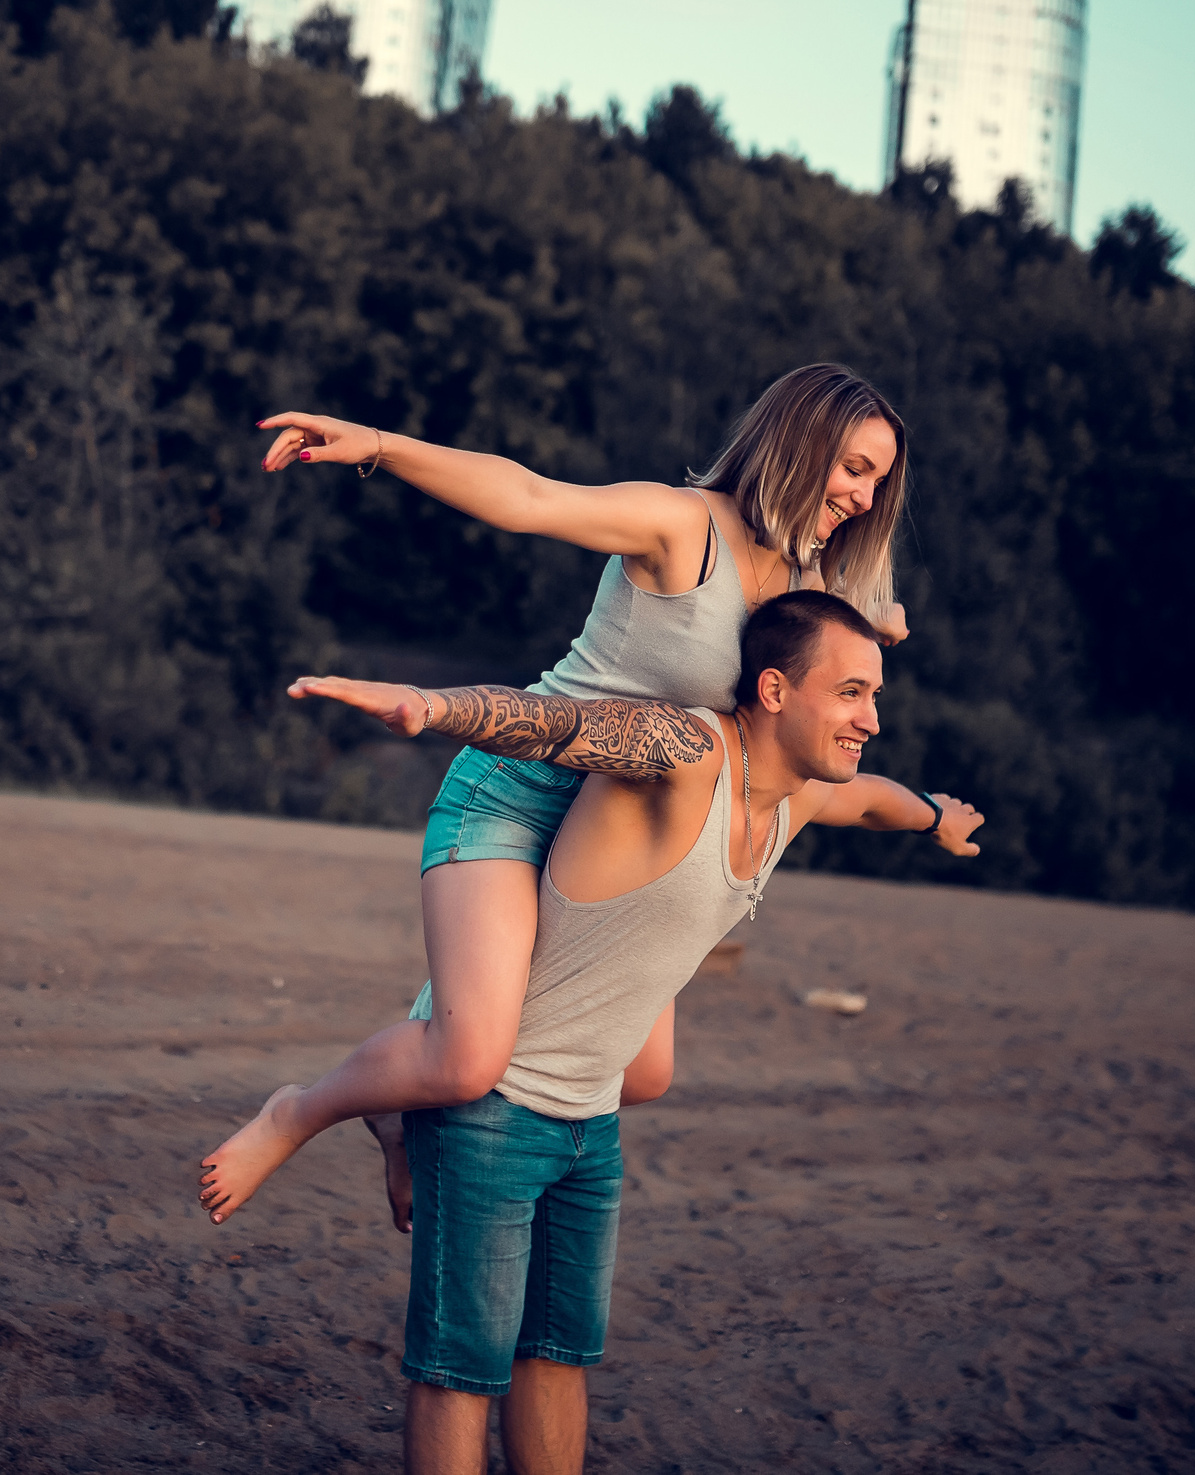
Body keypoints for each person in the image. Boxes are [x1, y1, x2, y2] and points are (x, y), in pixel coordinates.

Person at [199, 364, 914, 1224]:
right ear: (799, 445)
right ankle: (302, 1109)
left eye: (880, 479)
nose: (866, 497)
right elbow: (529, 496)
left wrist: (884, 636)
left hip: (626, 834)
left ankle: (410, 1080)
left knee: (644, 1073)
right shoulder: (684, 527)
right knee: (468, 1060)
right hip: (522, 788)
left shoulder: (814, 591)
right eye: (855, 468)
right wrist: (379, 447)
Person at [289, 589, 983, 1475]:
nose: (871, 718)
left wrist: (935, 815)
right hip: (493, 1109)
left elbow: (875, 801)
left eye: (875, 696)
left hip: (593, 1122)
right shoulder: (691, 751)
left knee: (559, 1357)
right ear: (773, 689)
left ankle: (398, 1109)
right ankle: (397, 1094)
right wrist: (430, 707)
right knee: (460, 1369)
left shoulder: (798, 799)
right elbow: (558, 725)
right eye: (851, 692)